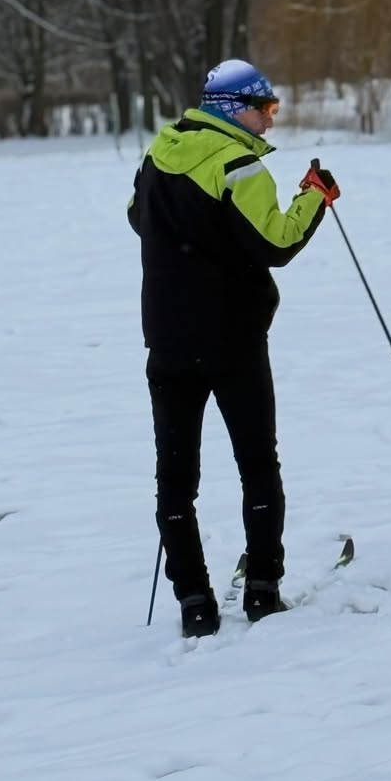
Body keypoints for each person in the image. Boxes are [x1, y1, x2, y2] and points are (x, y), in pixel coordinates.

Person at [128, 59, 339, 636]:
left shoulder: (158, 152)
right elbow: (277, 240)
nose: (271, 121)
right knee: (256, 463)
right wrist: (315, 197)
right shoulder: (239, 165)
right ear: (233, 108)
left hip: (167, 342)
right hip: (232, 342)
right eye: (265, 108)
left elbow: (135, 216)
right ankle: (264, 589)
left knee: (175, 480)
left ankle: (194, 603)